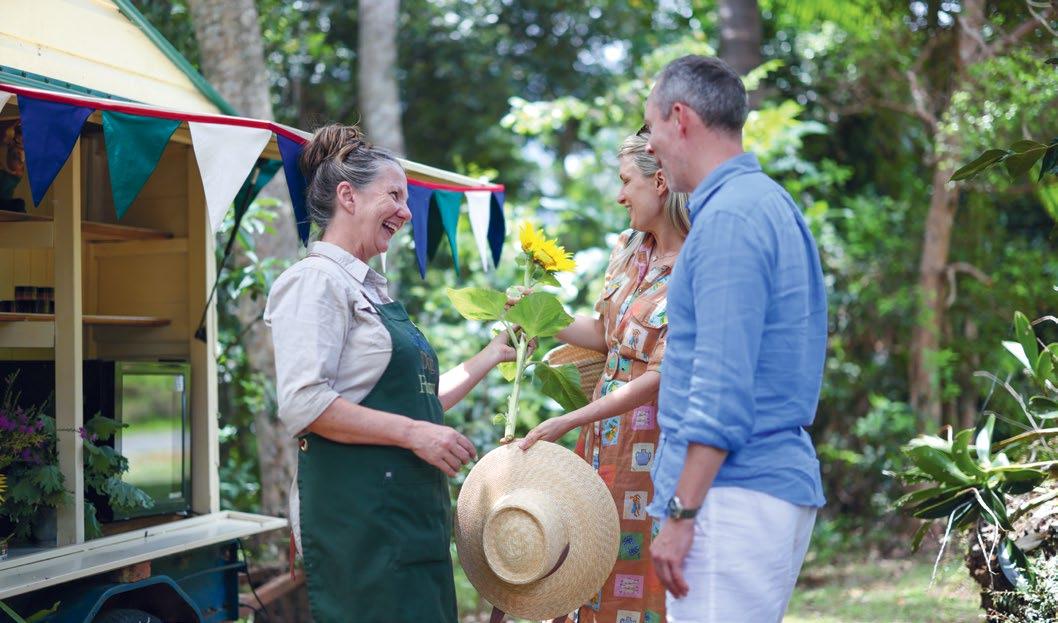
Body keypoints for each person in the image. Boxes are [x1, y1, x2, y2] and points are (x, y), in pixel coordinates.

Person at [264, 124, 517, 623]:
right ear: (348, 197)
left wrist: (492, 354)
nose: (407, 211)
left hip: (409, 522)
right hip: (362, 528)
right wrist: (415, 434)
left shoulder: (370, 290)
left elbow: (418, 402)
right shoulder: (315, 282)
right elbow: (304, 403)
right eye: (394, 196)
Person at [642, 55, 827, 622]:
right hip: (753, 490)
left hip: (729, 495)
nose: (650, 145)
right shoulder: (767, 202)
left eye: (650, 127)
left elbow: (721, 386)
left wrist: (682, 513)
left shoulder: (729, 219)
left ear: (680, 118)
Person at [520, 131, 689, 623]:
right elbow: (605, 335)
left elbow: (659, 375)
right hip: (601, 440)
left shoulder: (696, 265)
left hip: (652, 445)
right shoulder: (629, 247)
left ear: (660, 182)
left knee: (637, 571)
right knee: (586, 561)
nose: (619, 195)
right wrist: (537, 313)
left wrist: (571, 418)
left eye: (626, 182)